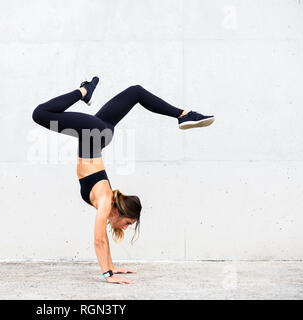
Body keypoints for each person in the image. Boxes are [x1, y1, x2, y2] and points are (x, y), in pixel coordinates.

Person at [32, 77, 215, 284]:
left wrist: (112, 268)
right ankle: (83, 92)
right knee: (40, 114)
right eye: (128, 222)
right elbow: (99, 241)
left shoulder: (106, 203)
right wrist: (108, 275)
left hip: (99, 131)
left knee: (136, 92)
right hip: (95, 133)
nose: (126, 227)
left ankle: (184, 115)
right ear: (119, 211)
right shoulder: (105, 201)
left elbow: (103, 237)